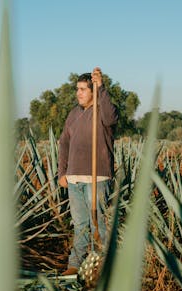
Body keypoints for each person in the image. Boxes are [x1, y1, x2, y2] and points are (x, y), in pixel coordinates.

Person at [58, 67, 118, 276]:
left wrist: (101, 87)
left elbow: (111, 118)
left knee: (98, 223)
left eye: (83, 89)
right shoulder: (74, 114)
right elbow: (64, 143)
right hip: (74, 177)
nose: (79, 93)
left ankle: (101, 265)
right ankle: (75, 265)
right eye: (77, 89)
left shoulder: (102, 111)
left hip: (97, 176)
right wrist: (62, 173)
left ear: (93, 91)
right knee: (80, 224)